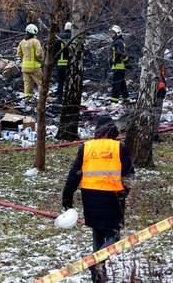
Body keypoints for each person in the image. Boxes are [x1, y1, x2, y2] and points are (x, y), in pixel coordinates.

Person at [62, 115, 134, 283]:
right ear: (113, 130)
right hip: (113, 198)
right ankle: (96, 263)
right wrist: (123, 194)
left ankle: (98, 276)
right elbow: (129, 176)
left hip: (90, 198)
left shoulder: (85, 147)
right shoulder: (119, 147)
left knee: (97, 232)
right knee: (113, 238)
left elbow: (73, 176)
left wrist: (67, 199)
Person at [18, 23, 43, 101]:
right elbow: (39, 54)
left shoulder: (22, 42)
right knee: (41, 83)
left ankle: (27, 99)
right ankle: (45, 99)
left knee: (27, 84)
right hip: (34, 67)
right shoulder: (35, 42)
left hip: (24, 68)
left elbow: (19, 54)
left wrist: (25, 59)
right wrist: (40, 60)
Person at [151, 49, 171, 143]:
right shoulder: (157, 63)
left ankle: (151, 132)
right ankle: (154, 134)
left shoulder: (151, 61)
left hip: (155, 89)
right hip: (158, 90)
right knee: (156, 112)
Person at [108, 25, 130, 105]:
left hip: (118, 67)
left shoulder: (117, 43)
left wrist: (126, 63)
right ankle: (126, 100)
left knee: (116, 84)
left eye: (113, 33)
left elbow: (122, 55)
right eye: (111, 33)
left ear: (117, 33)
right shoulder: (118, 42)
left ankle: (114, 101)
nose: (111, 34)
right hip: (120, 67)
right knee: (122, 85)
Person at [53, 22, 72, 104]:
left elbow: (55, 51)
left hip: (61, 64)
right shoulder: (74, 37)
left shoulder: (59, 37)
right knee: (70, 82)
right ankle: (69, 98)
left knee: (60, 81)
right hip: (71, 64)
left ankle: (59, 96)